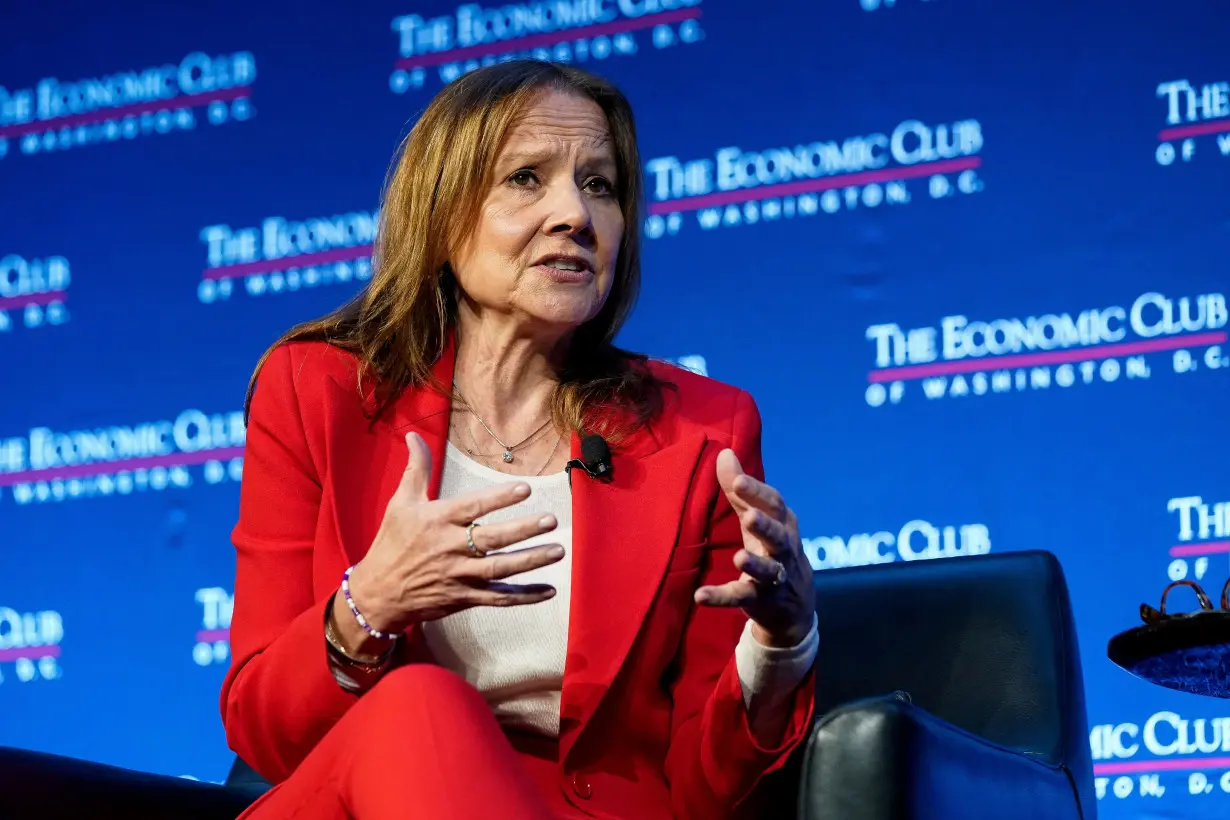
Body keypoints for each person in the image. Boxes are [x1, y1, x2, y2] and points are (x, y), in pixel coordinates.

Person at [221, 59, 818, 820]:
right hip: (355, 800)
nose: (575, 213)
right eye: (527, 178)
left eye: (600, 184)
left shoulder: (701, 431)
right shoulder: (318, 390)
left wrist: (783, 642)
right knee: (420, 705)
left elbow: (703, 789)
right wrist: (370, 602)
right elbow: (263, 730)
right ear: (441, 216)